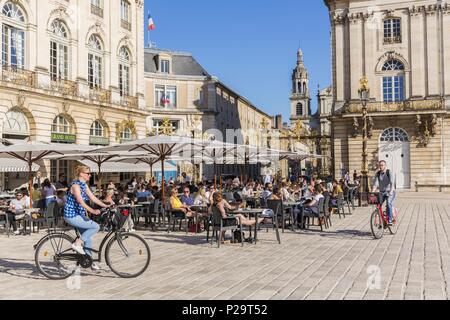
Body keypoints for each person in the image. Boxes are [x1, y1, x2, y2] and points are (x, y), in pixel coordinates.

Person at [64, 165, 110, 270]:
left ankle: (88, 261)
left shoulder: (84, 185)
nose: (90, 175)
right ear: (81, 174)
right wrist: (93, 211)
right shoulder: (75, 186)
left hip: (79, 215)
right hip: (71, 215)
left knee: (88, 238)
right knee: (95, 227)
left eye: (90, 173)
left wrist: (106, 205)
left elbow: (93, 198)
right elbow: (80, 201)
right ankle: (77, 244)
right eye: (88, 173)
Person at [372, 160, 396, 226]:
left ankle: (390, 219)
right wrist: (372, 191)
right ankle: (381, 221)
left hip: (390, 192)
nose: (381, 166)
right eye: (380, 165)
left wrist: (391, 191)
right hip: (382, 192)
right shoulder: (378, 173)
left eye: (382, 165)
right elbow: (376, 184)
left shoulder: (389, 172)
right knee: (378, 205)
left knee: (388, 203)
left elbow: (392, 183)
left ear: (385, 166)